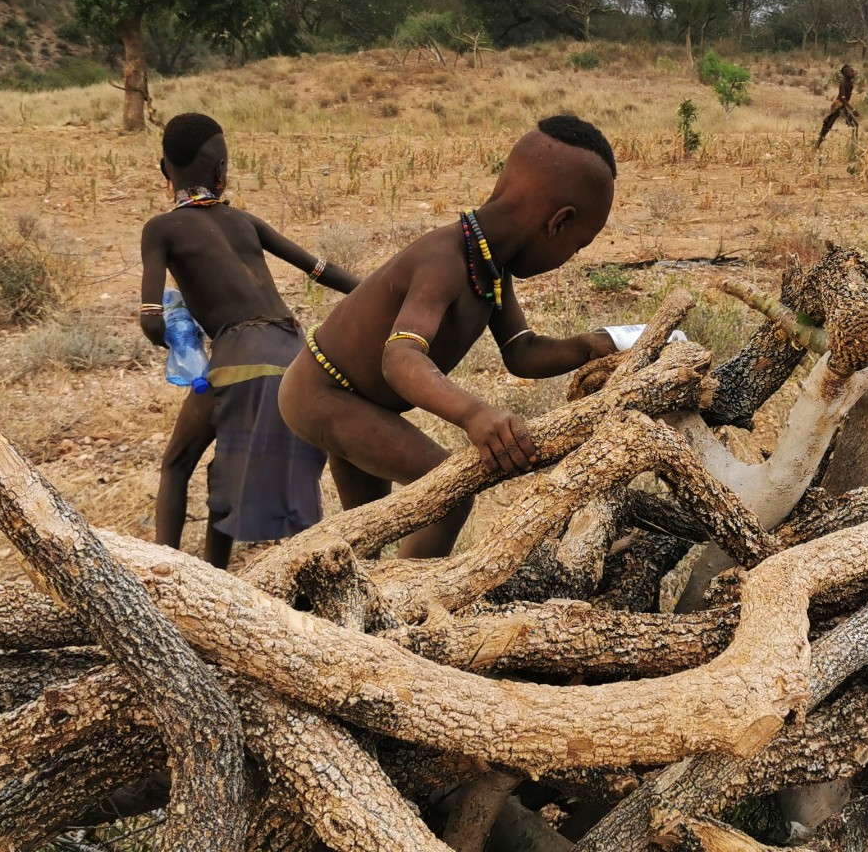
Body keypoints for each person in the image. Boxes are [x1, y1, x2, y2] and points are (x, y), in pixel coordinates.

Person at [278, 114, 620, 559]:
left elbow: (522, 352)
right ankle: (404, 608)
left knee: (362, 542)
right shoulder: (445, 260)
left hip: (359, 401)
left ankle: (358, 611)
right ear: (558, 222)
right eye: (578, 245)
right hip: (323, 392)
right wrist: (473, 413)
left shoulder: (492, 266)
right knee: (448, 494)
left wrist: (590, 347)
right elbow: (400, 358)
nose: (571, 256)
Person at [140, 112, 360, 566]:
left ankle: (167, 574)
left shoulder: (160, 229)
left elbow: (151, 322)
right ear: (221, 171)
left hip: (239, 356)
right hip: (298, 357)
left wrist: (182, 342)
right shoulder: (245, 221)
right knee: (245, 465)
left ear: (165, 172)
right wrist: (384, 291)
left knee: (177, 464)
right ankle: (308, 571)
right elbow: (321, 271)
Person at [815, 62, 861, 147]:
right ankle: (855, 145)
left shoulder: (849, 83)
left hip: (841, 106)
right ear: (846, 74)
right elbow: (843, 99)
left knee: (853, 124)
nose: (854, 73)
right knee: (829, 125)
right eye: (852, 71)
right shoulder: (843, 84)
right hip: (838, 106)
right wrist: (853, 109)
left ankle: (855, 145)